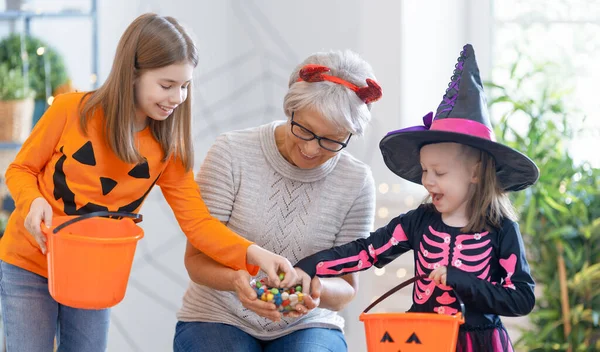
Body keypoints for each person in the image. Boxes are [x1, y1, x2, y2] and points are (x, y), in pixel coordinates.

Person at [0, 13, 296, 352]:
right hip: (29, 261)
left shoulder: (167, 150)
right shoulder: (71, 111)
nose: (177, 97)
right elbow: (20, 169)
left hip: (93, 273)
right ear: (132, 75)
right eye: (167, 85)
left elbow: (198, 224)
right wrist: (32, 201)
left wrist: (255, 254)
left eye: (185, 86)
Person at [294, 44, 539, 352]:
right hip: (423, 339)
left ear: (475, 173)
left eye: (439, 172)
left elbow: (521, 298)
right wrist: (308, 266)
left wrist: (461, 280)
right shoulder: (419, 221)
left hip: (480, 343)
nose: (427, 180)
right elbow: (367, 252)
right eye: (424, 170)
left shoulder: (500, 229)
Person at [174, 50, 382, 352]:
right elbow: (196, 261)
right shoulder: (231, 153)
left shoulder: (357, 181)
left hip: (309, 323)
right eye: (305, 130)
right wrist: (237, 282)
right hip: (218, 316)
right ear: (290, 110)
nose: (312, 149)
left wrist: (315, 288)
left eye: (331, 140)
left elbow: (348, 286)